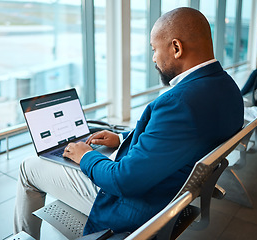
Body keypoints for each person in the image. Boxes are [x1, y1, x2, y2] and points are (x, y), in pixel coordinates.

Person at [14, 7, 244, 239]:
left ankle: (22, 236)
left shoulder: (179, 102)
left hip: (138, 206)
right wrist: (124, 139)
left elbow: (123, 181)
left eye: (154, 49)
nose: (154, 58)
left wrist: (85, 156)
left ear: (176, 48)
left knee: (28, 167)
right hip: (168, 189)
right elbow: (180, 140)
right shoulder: (228, 88)